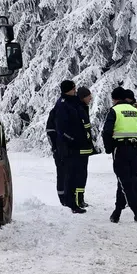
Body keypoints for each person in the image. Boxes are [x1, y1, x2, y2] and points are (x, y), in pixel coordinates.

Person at [102, 87, 137, 223]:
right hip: (134, 149)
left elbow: (107, 131)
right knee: (130, 180)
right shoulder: (135, 111)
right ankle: (117, 211)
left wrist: (108, 148)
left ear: (114, 99)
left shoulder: (114, 111)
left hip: (120, 149)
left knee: (124, 181)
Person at [46, 80, 90, 214]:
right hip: (67, 147)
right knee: (68, 175)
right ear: (69, 90)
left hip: (75, 146)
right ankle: (69, 203)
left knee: (75, 174)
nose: (75, 91)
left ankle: (74, 201)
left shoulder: (73, 103)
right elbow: (61, 128)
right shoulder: (63, 105)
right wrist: (71, 140)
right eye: (73, 88)